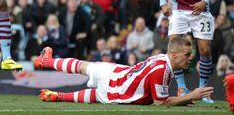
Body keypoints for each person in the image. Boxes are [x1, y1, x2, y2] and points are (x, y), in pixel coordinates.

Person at [34, 36, 213, 105]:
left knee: (84, 67)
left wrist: (181, 100)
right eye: (187, 54)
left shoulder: (161, 59)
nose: (190, 57)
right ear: (173, 54)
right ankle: (53, 79)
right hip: (118, 88)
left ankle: (51, 71)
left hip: (119, 74)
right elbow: (161, 103)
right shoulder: (163, 70)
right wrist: (190, 96)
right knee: (97, 94)